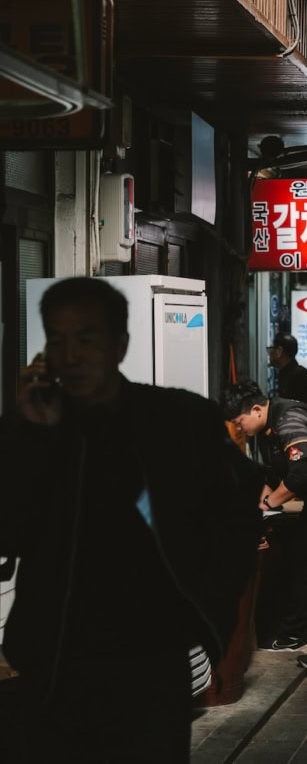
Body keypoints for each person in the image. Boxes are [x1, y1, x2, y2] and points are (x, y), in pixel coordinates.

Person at [0, 277, 261, 763]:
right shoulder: (32, 429)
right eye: (56, 340)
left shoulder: (179, 420)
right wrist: (26, 437)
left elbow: (238, 520)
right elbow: (10, 532)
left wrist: (211, 620)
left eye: (86, 338)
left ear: (119, 343)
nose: (70, 355)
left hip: (148, 664)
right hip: (51, 663)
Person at [224, 380, 307, 676]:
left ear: (255, 409)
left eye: (239, 422)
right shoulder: (266, 425)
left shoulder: (289, 418)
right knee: (304, 563)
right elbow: (273, 471)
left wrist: (266, 504)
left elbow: (300, 475)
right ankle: (294, 636)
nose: (239, 429)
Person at [267, 332, 307, 410]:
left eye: (271, 348)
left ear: (279, 351)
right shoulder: (287, 373)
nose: (269, 353)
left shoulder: (300, 376)